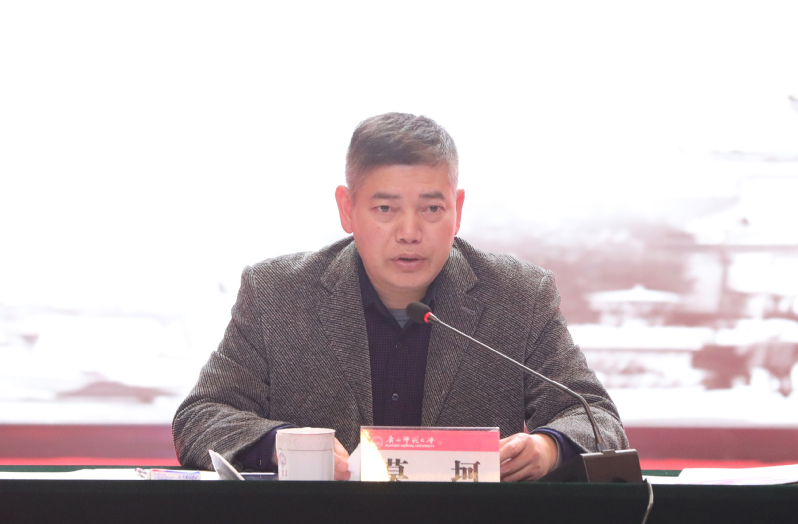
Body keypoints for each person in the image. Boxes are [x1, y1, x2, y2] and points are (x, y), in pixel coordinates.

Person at [172, 112, 629, 481]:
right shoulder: (278, 294)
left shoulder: (518, 296)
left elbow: (596, 418)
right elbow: (200, 417)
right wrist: (282, 445)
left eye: (432, 208)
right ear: (347, 209)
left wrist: (548, 448)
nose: (410, 232)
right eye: (385, 208)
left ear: (457, 209)